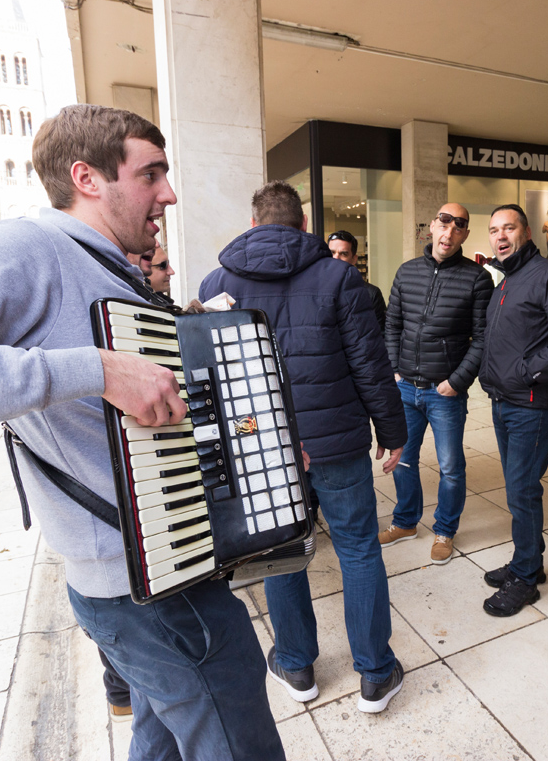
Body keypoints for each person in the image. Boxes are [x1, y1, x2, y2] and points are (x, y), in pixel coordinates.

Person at [0, 104, 286, 761]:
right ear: (87, 177)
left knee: (162, 742)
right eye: (152, 175)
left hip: (165, 566)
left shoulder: (111, 265)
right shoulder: (30, 247)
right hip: (142, 591)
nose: (169, 195)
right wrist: (97, 368)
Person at [200, 181, 409, 714]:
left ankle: (295, 664)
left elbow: (214, 381)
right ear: (303, 227)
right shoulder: (340, 276)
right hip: (335, 442)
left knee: (280, 551)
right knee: (359, 549)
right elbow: (371, 364)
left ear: (253, 226)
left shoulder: (217, 281)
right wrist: (394, 432)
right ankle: (375, 675)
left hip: (261, 449)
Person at [477, 204, 548, 617]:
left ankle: (524, 578)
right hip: (504, 400)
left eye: (508, 227)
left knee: (522, 489)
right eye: (493, 229)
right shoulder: (507, 279)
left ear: (526, 232)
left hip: (531, 403)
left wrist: (526, 372)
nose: (500, 236)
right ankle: (530, 561)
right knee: (517, 487)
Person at [378, 203, 492, 563]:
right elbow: (392, 325)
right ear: (432, 226)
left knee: (450, 467)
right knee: (404, 460)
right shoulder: (407, 272)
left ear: (465, 235)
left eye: (459, 226)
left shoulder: (477, 278)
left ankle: (444, 530)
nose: (449, 232)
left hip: (444, 392)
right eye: (444, 223)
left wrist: (456, 382)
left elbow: (482, 337)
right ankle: (406, 521)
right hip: (405, 388)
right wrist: (394, 369)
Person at [328, 230, 386, 333]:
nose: (336, 258)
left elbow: (380, 334)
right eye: (332, 252)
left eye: (343, 254)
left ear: (354, 259)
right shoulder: (312, 290)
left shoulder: (371, 294)